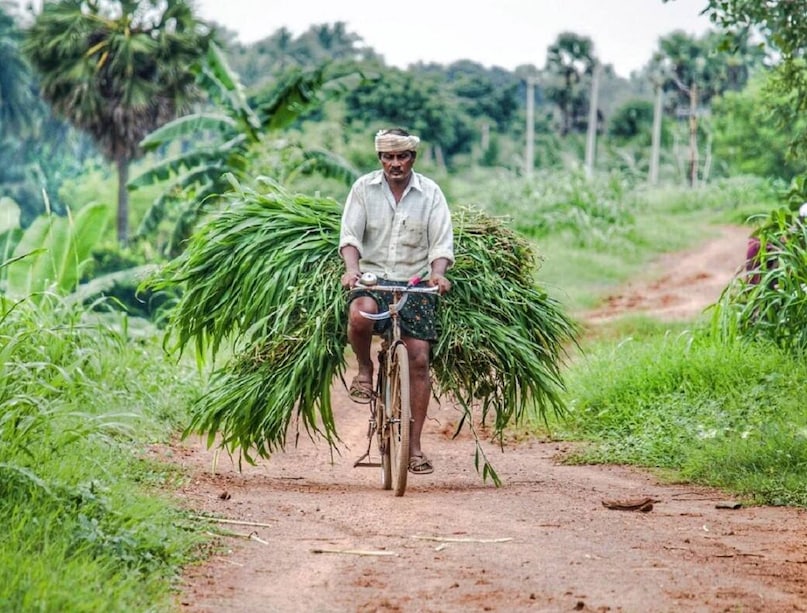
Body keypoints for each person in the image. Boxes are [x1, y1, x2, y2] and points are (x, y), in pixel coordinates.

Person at [338, 128, 454, 475]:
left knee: (418, 358)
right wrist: (352, 271)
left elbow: (441, 243)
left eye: (402, 156)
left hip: (414, 283)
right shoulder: (363, 188)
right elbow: (350, 237)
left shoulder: (430, 193)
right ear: (380, 160)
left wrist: (438, 273)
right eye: (388, 157)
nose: (395, 164)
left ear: (412, 158)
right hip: (374, 279)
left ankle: (414, 448)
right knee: (360, 315)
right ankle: (364, 369)